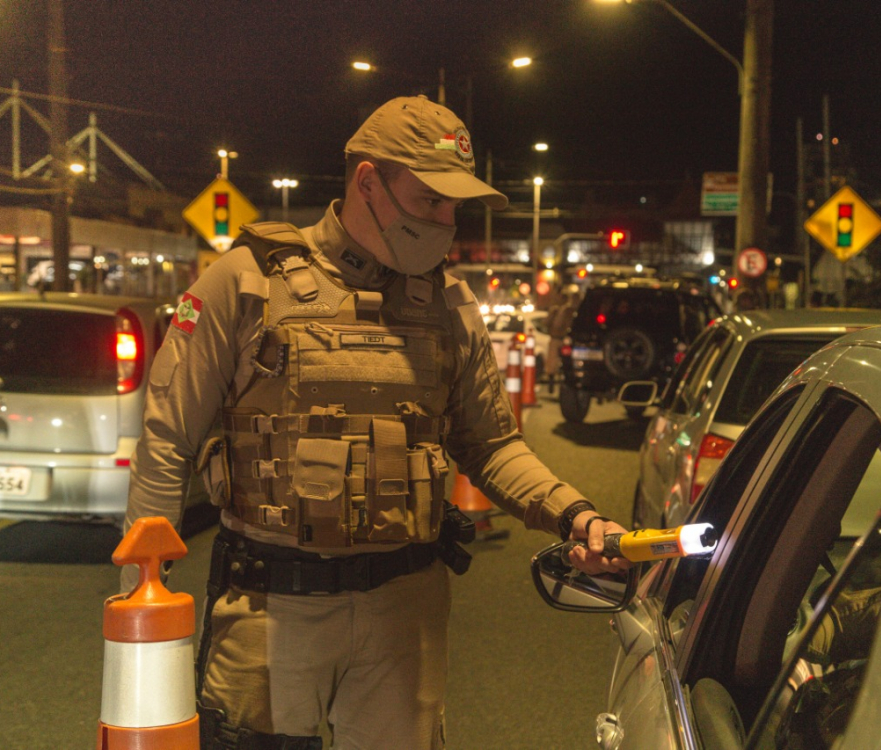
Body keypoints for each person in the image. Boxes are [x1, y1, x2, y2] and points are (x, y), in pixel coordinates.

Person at [123, 94, 628, 750]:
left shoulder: (447, 304)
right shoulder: (246, 283)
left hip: (407, 610)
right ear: (369, 182)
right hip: (271, 607)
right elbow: (166, 443)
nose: (449, 221)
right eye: (431, 201)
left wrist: (578, 518)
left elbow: (492, 444)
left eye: (456, 206)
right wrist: (144, 601)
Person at [544, 285, 579, 393]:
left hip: (564, 339)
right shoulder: (556, 310)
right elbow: (547, 323)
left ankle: (566, 385)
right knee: (552, 363)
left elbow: (566, 324)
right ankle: (552, 384)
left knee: (566, 363)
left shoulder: (569, 310)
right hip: (556, 338)